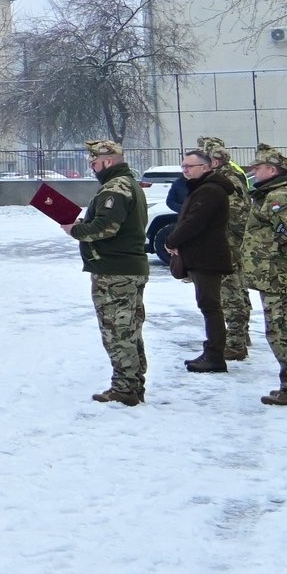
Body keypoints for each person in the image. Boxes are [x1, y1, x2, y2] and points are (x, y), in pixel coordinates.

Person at [63, 140, 150, 407]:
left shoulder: (115, 188)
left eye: (94, 163)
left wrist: (75, 230)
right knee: (130, 328)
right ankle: (134, 383)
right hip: (127, 268)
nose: (92, 168)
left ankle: (125, 388)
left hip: (115, 271)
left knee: (117, 330)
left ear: (108, 161)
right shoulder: (128, 184)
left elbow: (107, 227)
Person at [243, 145, 287, 406]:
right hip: (281, 276)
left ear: (272, 170)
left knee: (284, 331)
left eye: (257, 168)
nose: (253, 172)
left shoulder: (278, 198)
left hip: (280, 277)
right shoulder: (273, 194)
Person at [164, 148, 235, 374]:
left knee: (210, 306)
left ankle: (214, 356)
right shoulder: (202, 188)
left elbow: (194, 222)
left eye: (189, 166)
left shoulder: (210, 190)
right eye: (183, 166)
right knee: (208, 305)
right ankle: (212, 352)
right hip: (204, 256)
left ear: (206, 167)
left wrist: (172, 240)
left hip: (208, 257)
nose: (184, 170)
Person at [198, 137, 254, 362]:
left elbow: (239, 214)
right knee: (235, 290)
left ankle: (236, 342)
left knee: (230, 293)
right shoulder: (229, 174)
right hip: (227, 241)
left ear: (215, 160)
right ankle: (240, 335)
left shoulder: (226, 178)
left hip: (228, 243)